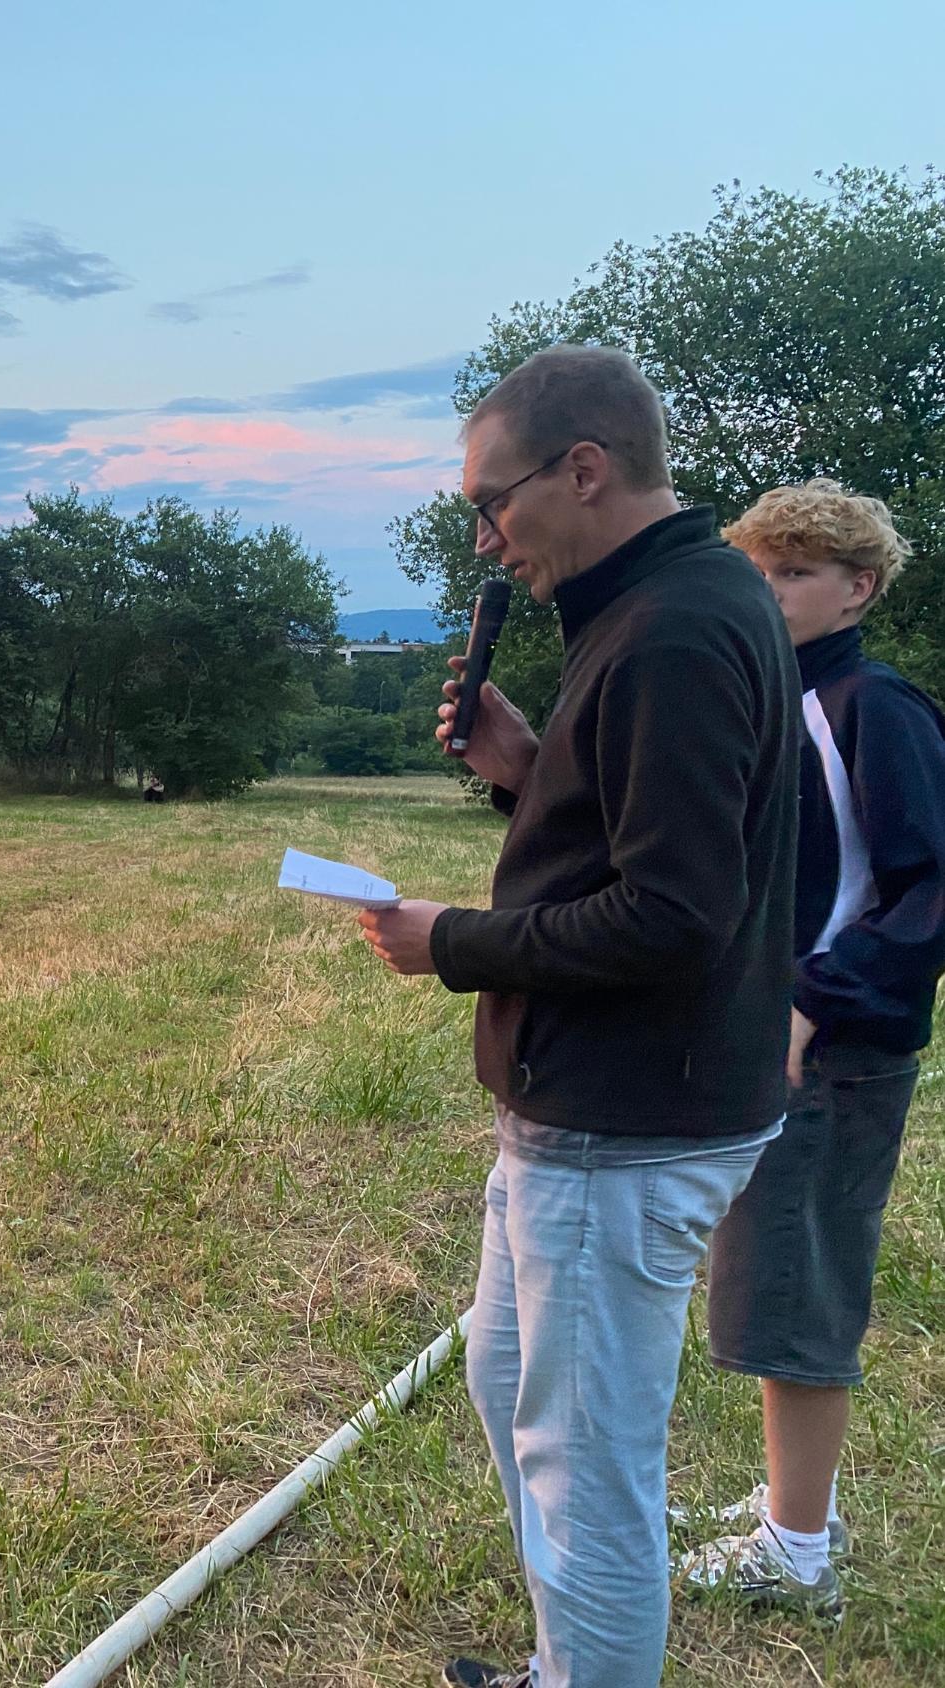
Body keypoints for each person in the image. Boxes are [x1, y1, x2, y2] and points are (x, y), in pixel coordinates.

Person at [354, 344, 800, 1688]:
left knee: (583, 1468)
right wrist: (525, 768)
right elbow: (638, 839)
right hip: (590, 1105)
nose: (486, 537)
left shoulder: (671, 627)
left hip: (625, 1121)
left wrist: (454, 945)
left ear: (584, 469)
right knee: (510, 1394)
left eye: (491, 504)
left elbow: (672, 918)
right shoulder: (665, 607)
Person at [671, 481, 945, 1619]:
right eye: (758, 567)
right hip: (769, 1041)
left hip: (835, 1052)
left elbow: (930, 888)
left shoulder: (876, 707)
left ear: (857, 587)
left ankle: (798, 1550)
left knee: (803, 1285)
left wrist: (816, 1001)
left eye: (794, 570)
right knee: (763, 1275)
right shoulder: (775, 698)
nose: (768, 587)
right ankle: (792, 1500)